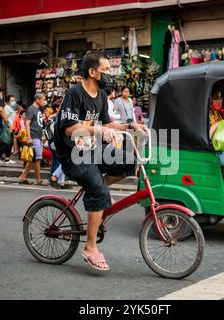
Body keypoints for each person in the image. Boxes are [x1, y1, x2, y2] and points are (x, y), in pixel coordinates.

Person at [53, 51, 146, 271]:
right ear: (92, 72)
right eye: (105, 70)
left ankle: (96, 192)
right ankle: (90, 247)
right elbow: (69, 129)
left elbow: (108, 124)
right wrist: (97, 129)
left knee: (128, 162)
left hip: (93, 150)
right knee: (100, 192)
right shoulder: (75, 94)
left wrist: (131, 126)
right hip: (72, 155)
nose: (109, 74)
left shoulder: (102, 96)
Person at [18, 92, 48, 186]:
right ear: (37, 100)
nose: (44, 101)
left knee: (33, 158)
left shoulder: (38, 109)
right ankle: (38, 180)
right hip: (34, 136)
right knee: (37, 158)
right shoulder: (31, 109)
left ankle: (23, 177)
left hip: (38, 136)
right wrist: (29, 137)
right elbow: (27, 123)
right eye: (43, 99)